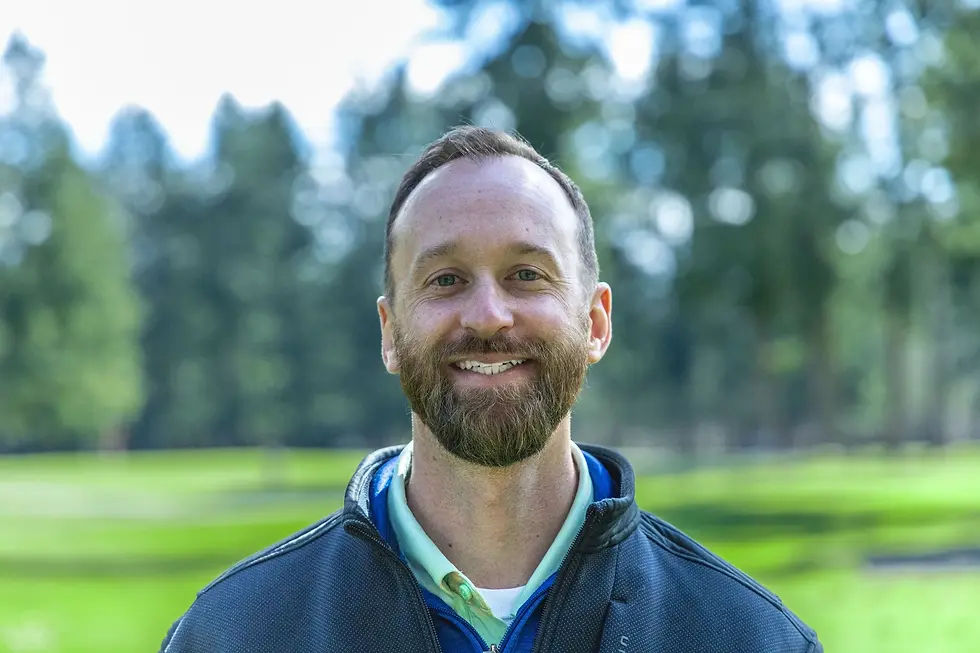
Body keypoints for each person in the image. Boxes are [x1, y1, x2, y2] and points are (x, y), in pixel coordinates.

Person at [159, 126, 823, 653]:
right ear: (390, 331)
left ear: (595, 322)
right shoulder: (233, 633)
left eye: (527, 274)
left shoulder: (749, 637)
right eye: (445, 279)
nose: (487, 316)